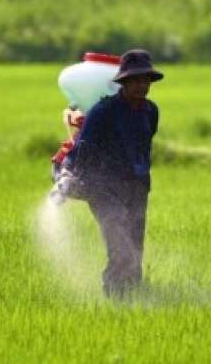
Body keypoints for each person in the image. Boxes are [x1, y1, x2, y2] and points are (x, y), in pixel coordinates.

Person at [67, 49, 163, 297]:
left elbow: (143, 146)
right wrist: (70, 175)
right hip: (103, 189)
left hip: (137, 187)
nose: (142, 85)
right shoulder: (104, 111)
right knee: (120, 245)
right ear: (124, 82)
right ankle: (115, 296)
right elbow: (83, 147)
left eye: (146, 80)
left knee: (135, 244)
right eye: (136, 80)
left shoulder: (151, 112)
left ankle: (134, 293)